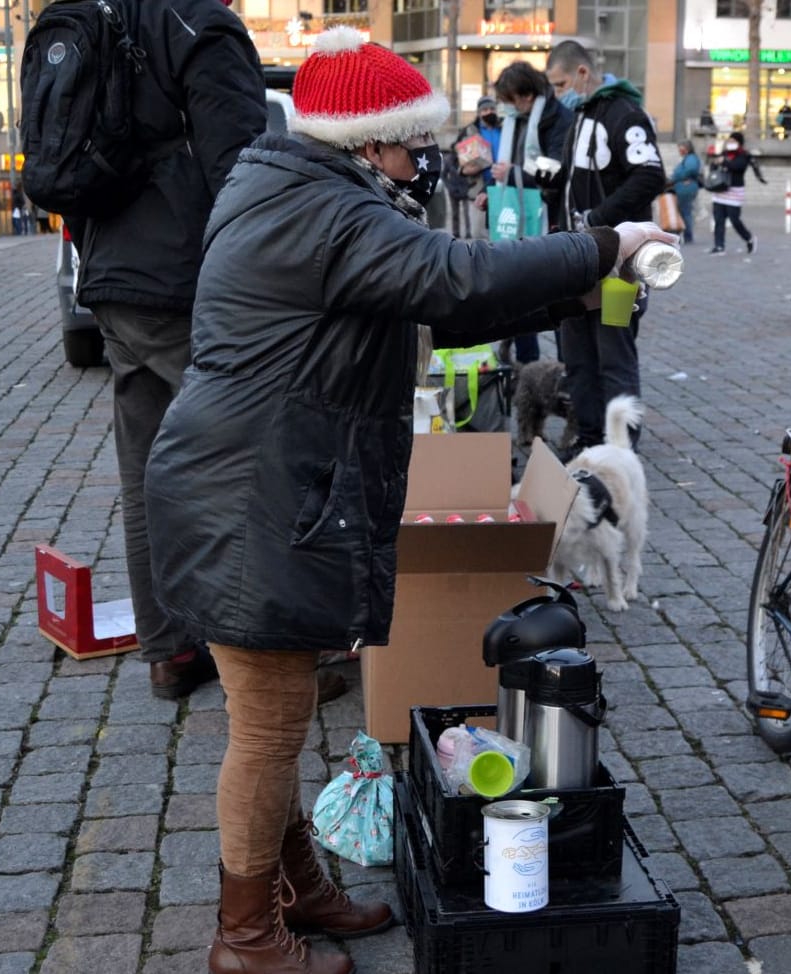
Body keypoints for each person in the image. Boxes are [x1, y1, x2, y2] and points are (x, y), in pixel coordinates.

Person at [142, 27, 674, 974]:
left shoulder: (301, 187)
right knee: (267, 724)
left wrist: (576, 286)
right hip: (250, 497)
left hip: (251, 487)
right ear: (365, 140)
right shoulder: (322, 207)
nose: (426, 158)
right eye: (412, 141)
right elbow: (452, 278)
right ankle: (245, 938)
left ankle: (292, 891)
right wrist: (601, 244)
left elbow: (445, 303)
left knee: (278, 711)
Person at [66, 0, 268, 701]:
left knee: (146, 472)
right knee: (257, 455)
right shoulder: (199, 26)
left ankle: (169, 653)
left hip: (111, 276)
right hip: (186, 283)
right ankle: (264, 661)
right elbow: (239, 173)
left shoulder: (101, 15)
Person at [545, 39, 665, 452]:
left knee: (613, 352)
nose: (558, 93)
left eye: (560, 83)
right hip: (579, 262)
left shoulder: (624, 113)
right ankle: (590, 436)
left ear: (582, 73)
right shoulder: (580, 115)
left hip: (620, 266)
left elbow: (650, 175)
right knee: (578, 354)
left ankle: (621, 445)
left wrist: (598, 218)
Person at [490, 60, 576, 364]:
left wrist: (516, 172)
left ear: (527, 94)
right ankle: (527, 365)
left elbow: (555, 169)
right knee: (520, 294)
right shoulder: (517, 119)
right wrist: (493, 196)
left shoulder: (558, 119)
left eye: (512, 99)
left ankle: (568, 369)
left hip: (549, 219)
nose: (509, 107)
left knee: (557, 299)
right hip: (516, 219)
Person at [707, 131, 764, 256]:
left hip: (734, 192)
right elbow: (713, 166)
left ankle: (749, 238)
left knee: (734, 219)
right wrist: (716, 163)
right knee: (718, 220)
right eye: (730, 141)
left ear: (739, 143)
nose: (730, 143)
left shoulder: (743, 155)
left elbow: (738, 167)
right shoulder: (723, 153)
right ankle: (719, 246)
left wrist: (724, 162)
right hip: (720, 191)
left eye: (733, 141)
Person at [457, 96, 503, 240]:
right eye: (484, 110)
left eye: (492, 109)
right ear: (478, 112)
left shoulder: (505, 128)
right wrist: (469, 168)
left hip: (503, 189)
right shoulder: (469, 131)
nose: (489, 112)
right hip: (479, 190)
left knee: (503, 233)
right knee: (479, 235)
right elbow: (461, 165)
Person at [670, 140, 703, 245]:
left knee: (685, 211)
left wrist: (676, 177)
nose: (679, 150)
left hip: (686, 188)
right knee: (682, 211)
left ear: (687, 148)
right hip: (683, 187)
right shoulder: (687, 158)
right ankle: (681, 235)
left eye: (681, 147)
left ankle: (687, 235)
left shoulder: (691, 158)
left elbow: (690, 170)